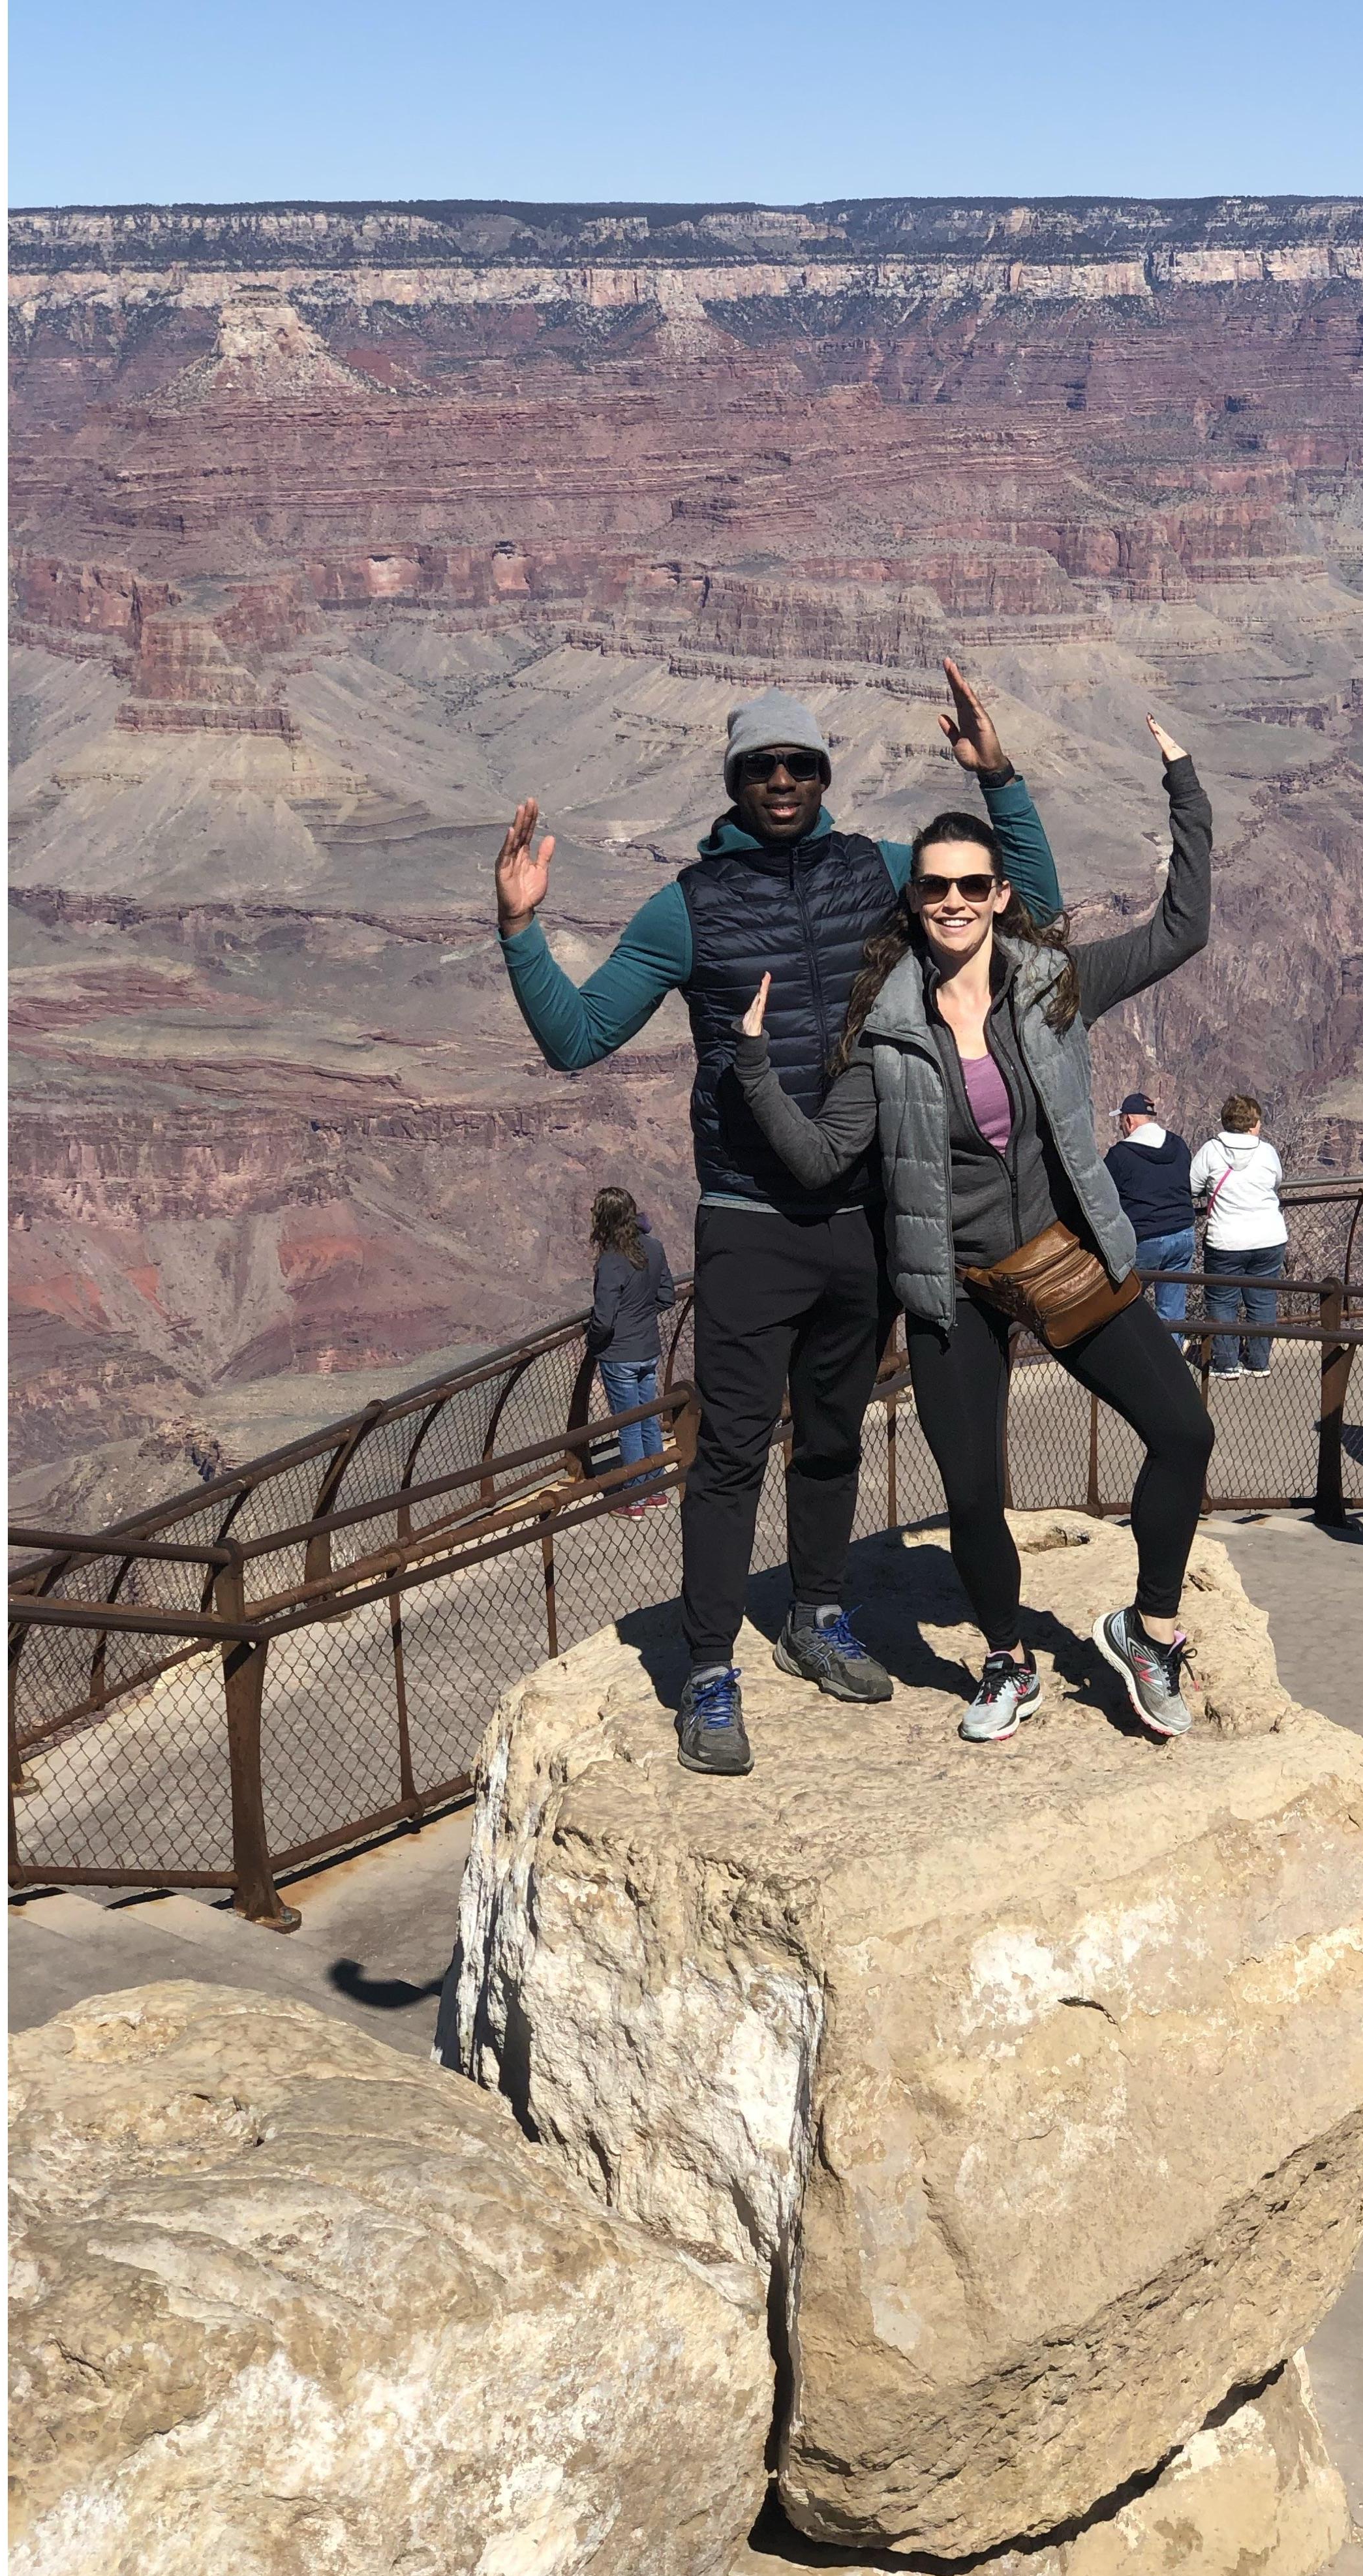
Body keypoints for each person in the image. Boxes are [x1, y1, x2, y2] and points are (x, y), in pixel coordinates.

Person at [493, 662, 1064, 1775]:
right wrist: (520, 930)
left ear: (824, 775)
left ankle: (816, 1612)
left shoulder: (880, 875)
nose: (785, 780)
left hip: (863, 1211)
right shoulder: (686, 909)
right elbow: (574, 1038)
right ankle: (709, 1671)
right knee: (730, 1456)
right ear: (735, 780)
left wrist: (1000, 780)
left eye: (802, 764)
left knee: (838, 1435)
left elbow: (1021, 901)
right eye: (764, 767)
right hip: (749, 1218)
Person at [732, 718, 1217, 1745]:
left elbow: (1182, 929)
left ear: (1000, 895)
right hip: (953, 1283)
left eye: (971, 885)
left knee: (1184, 1432)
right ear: (915, 902)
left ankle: (1150, 1630)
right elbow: (821, 1158)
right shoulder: (887, 1030)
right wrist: (752, 1069)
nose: (951, 901)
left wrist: (1185, 790)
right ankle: (1006, 1660)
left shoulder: (1055, 987)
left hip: (1064, 1256)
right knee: (972, 1494)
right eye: (933, 887)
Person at [585, 1186, 677, 1515]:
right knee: (648, 1418)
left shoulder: (611, 1259)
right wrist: (640, 1316)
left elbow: (604, 1319)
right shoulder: (653, 1247)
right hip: (649, 1349)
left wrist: (593, 1340)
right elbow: (667, 1297)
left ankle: (634, 1499)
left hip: (619, 1354)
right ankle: (657, 1488)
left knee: (629, 1425)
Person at [1193, 1095, 1289, 1379]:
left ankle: (1226, 1364)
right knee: (1262, 1300)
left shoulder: (1210, 1151)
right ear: (1253, 1124)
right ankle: (1258, 1362)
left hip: (1226, 1240)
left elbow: (1192, 1185)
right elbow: (1277, 1182)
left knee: (1223, 1301)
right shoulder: (1267, 1152)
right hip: (1269, 1238)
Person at [1105, 1094, 1196, 1327]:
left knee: (1125, 1305)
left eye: (1121, 1121)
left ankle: (1132, 1359)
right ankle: (1171, 1360)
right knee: (1173, 1311)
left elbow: (1103, 1196)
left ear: (1129, 1121)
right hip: (1183, 1233)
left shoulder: (1120, 1155)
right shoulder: (1178, 1144)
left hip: (1145, 1239)